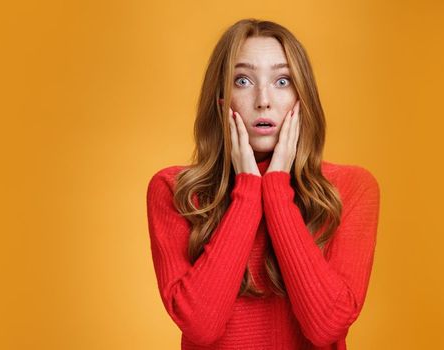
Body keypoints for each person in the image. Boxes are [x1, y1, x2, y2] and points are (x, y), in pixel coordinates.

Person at [146, 18, 381, 349]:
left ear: (303, 98)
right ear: (220, 100)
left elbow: (326, 328)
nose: (263, 100)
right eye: (242, 80)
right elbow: (201, 327)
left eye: (282, 80)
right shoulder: (175, 190)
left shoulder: (350, 188)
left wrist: (276, 191)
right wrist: (247, 194)